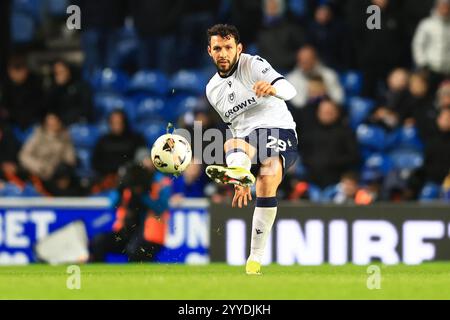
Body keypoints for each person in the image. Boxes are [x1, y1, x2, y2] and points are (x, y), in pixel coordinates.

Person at [204, 24, 298, 275]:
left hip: (279, 130)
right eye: (217, 48)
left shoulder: (253, 64)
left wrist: (273, 89)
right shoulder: (212, 90)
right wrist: (241, 178)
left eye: (228, 47)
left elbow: (291, 90)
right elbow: (235, 126)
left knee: (250, 156)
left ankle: (238, 169)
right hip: (246, 140)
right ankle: (254, 262)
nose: (223, 53)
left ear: (239, 48)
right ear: (209, 52)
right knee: (236, 149)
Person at [18, 113, 76, 185]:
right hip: (37, 172)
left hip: (55, 173)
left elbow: (70, 159)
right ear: (45, 124)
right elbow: (24, 155)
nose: (52, 126)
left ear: (59, 123)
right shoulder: (37, 136)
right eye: (49, 124)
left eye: (55, 123)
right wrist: (39, 167)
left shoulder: (65, 137)